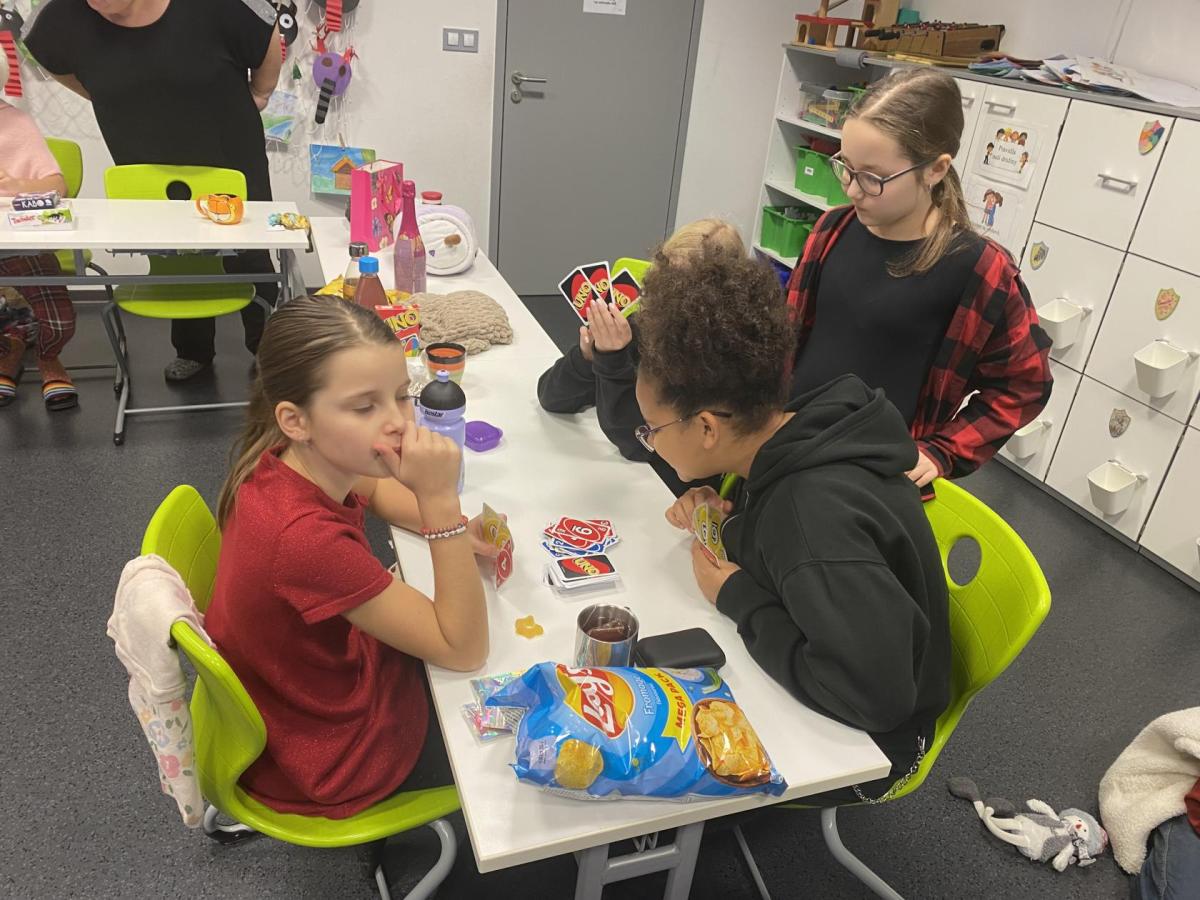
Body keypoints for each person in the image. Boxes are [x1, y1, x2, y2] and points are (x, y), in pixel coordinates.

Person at [634, 250, 950, 802]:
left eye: (652, 429)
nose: (650, 442)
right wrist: (725, 517)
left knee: (648, 746)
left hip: (872, 744)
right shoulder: (790, 431)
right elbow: (790, 552)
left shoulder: (812, 517)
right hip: (844, 649)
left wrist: (738, 598)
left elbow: (873, 698)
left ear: (706, 428)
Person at [205, 295, 498, 818]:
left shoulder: (291, 455)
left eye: (401, 395)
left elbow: (376, 489)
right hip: (333, 754)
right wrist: (440, 507)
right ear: (295, 419)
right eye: (365, 407)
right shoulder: (303, 539)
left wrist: (452, 530)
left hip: (308, 692)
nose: (398, 422)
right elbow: (464, 648)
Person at [785, 68, 1051, 492]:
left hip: (869, 484)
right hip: (789, 451)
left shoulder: (980, 269)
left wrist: (944, 450)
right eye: (846, 167)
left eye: (873, 177)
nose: (852, 189)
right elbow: (790, 333)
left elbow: (1025, 383)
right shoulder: (830, 229)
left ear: (935, 169)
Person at [25, 0, 283, 382]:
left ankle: (268, 350)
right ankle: (193, 350)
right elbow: (48, 53)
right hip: (144, 155)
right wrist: (107, 91)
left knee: (248, 252)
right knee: (174, 252)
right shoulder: (64, 14)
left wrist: (261, 92)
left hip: (228, 148)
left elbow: (266, 30)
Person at [536, 218, 743, 496]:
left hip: (669, 489)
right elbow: (551, 397)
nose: (668, 297)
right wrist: (587, 356)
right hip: (621, 475)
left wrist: (611, 360)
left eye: (681, 289)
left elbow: (637, 443)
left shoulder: (718, 357)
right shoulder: (646, 321)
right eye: (665, 282)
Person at [0, 51, 78, 411]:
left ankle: (47, 356)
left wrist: (18, 185)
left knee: (60, 321)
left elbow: (57, 185)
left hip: (21, 242)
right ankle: (10, 348)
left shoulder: (16, 123)